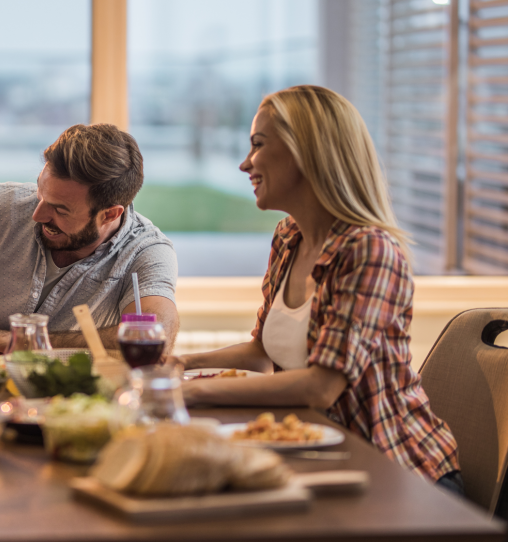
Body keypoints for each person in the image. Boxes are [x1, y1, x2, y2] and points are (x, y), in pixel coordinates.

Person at [168, 85, 461, 491]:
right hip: (322, 457)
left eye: (257, 145)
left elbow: (320, 387)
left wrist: (193, 395)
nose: (244, 164)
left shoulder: (370, 250)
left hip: (397, 473)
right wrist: (182, 364)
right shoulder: (290, 235)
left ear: (306, 152)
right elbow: (262, 351)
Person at [0, 123, 179, 352]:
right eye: (40, 193)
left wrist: (29, 341)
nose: (37, 215)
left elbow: (156, 338)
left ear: (110, 214)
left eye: (60, 210)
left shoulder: (147, 251)